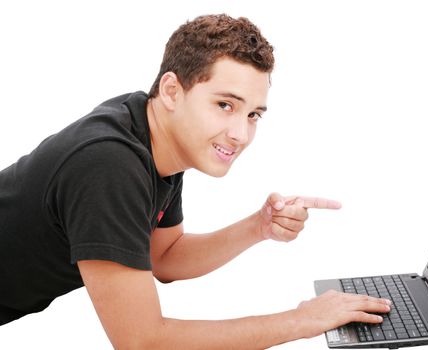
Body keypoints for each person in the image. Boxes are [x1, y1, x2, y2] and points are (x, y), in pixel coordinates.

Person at [0, 14, 391, 348]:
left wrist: (258, 227)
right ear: (172, 90)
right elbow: (142, 341)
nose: (240, 133)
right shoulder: (110, 165)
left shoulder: (153, 138)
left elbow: (163, 257)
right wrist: (302, 321)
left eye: (254, 114)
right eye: (225, 105)